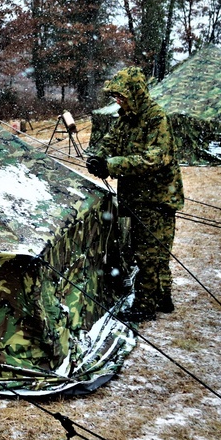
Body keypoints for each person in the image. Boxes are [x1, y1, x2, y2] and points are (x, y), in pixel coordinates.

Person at [86, 66, 184, 323]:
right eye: (116, 97)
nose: (118, 101)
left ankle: (145, 305)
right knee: (150, 250)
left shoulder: (155, 118)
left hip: (156, 198)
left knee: (151, 253)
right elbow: (110, 141)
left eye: (122, 96)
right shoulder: (125, 118)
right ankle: (162, 295)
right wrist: (99, 158)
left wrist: (114, 165)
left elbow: (156, 158)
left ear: (136, 93)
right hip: (136, 196)